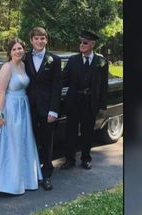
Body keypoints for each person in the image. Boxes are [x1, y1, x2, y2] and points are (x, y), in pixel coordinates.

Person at [0, 38, 42, 195]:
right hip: (10, 109)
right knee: (12, 145)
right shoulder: (7, 67)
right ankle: (8, 183)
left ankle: (24, 180)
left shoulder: (23, 65)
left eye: (20, 48)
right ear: (10, 52)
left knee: (23, 143)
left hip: (23, 108)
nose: (18, 51)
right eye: (14, 49)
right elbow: (1, 92)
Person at [61, 31, 108, 170]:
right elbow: (64, 80)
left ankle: (86, 158)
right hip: (73, 101)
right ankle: (69, 159)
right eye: (81, 42)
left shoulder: (101, 62)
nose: (81, 45)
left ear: (93, 44)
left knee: (88, 132)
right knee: (71, 132)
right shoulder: (73, 60)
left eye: (85, 43)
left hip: (90, 102)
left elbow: (103, 85)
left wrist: (102, 105)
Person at [24, 27, 62, 190]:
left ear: (46, 40)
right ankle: (31, 174)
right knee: (30, 141)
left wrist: (53, 110)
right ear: (31, 40)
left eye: (43, 38)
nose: (39, 41)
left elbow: (57, 87)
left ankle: (46, 174)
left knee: (47, 142)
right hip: (27, 109)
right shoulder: (24, 58)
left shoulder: (54, 59)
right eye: (36, 38)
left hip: (47, 110)